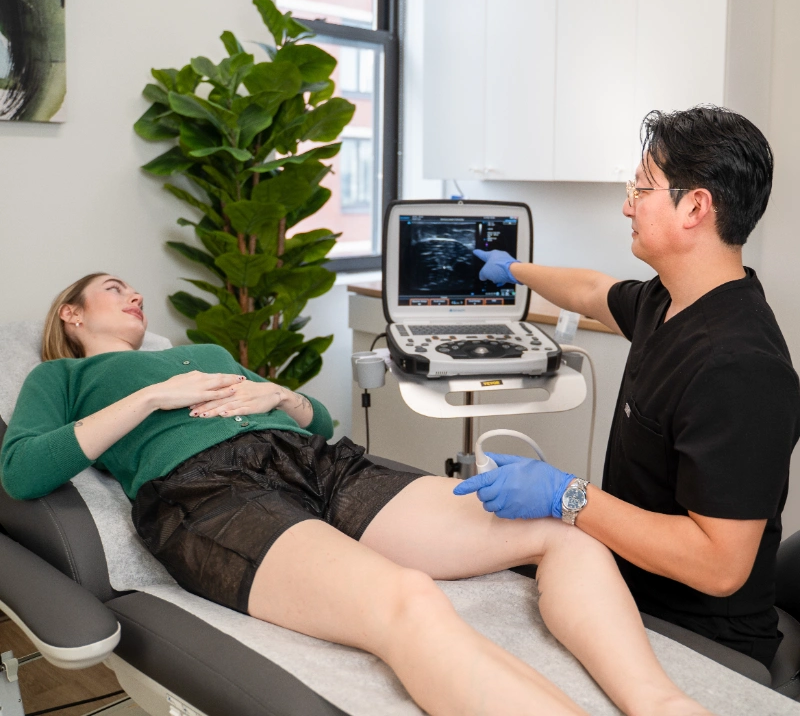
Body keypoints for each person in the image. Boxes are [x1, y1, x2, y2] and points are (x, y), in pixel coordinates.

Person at [0, 275, 714, 716]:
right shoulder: (62, 382)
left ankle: (662, 703)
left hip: (319, 462)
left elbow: (324, 419)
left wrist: (282, 394)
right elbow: (23, 471)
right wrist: (159, 395)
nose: (134, 295)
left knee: (559, 527)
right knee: (409, 601)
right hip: (207, 494)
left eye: (134, 290)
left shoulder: (206, 352)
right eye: (113, 289)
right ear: (72, 314)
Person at [461, 106, 800, 670]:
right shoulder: (667, 300)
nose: (627, 205)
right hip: (629, 585)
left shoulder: (740, 367)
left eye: (642, 187)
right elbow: (592, 291)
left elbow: (721, 566)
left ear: (695, 206)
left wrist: (566, 495)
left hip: (701, 640)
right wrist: (514, 269)